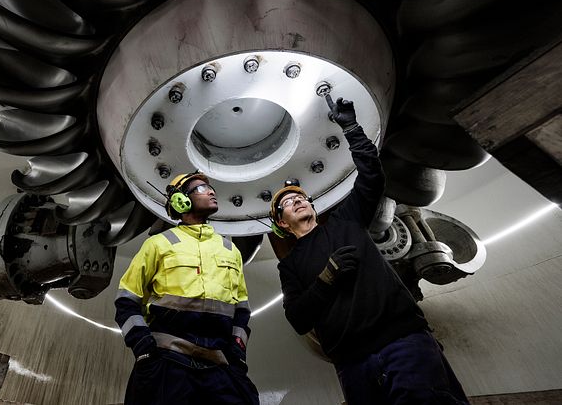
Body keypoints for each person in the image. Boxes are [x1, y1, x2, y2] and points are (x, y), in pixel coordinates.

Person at [269, 95, 470, 404]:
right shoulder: (290, 265)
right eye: (286, 203)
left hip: (403, 341)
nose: (296, 200)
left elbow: (372, 176)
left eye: (300, 196)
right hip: (352, 364)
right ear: (282, 223)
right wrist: (325, 278)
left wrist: (350, 127)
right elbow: (298, 318)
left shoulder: (345, 222)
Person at [115, 171, 259, 405]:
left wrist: (237, 353)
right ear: (181, 200)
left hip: (220, 367)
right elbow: (127, 300)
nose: (211, 191)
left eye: (210, 188)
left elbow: (241, 310)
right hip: (167, 364)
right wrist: (144, 348)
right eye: (201, 189)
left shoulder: (230, 250)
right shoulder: (158, 244)